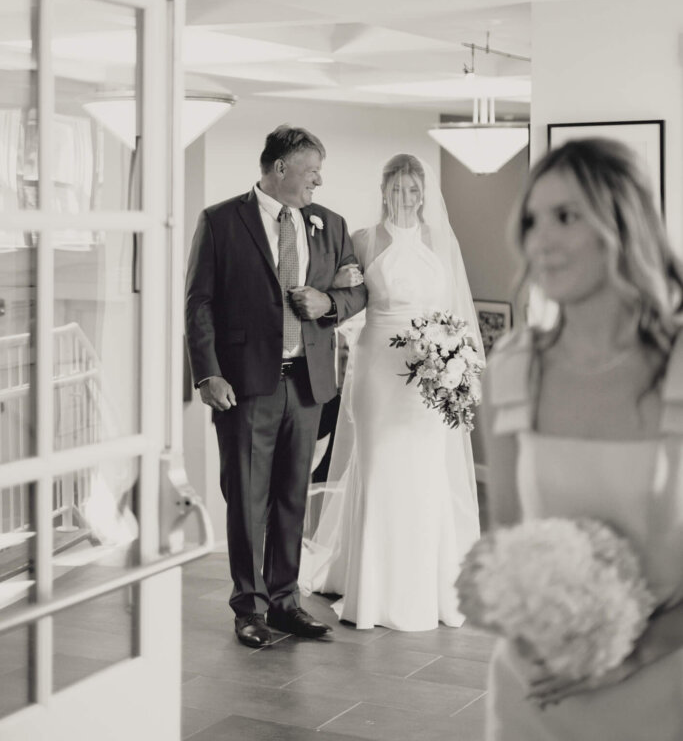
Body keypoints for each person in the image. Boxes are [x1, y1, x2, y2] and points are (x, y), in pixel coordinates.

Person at [481, 137, 683, 741]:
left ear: (620, 224)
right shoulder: (511, 367)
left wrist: (633, 654)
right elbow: (507, 541)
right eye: (532, 219)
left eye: (566, 216)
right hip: (534, 690)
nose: (541, 240)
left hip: (662, 684)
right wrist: (532, 634)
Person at [185, 125, 367, 649]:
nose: (319, 180)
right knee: (246, 499)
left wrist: (327, 304)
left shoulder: (330, 224)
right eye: (312, 171)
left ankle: (286, 604)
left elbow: (356, 292)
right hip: (244, 387)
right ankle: (250, 609)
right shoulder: (220, 220)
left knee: (291, 497)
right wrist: (207, 372)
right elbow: (198, 303)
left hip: (308, 386)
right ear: (281, 168)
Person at [301, 153, 482, 631]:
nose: (406, 198)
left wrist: (454, 362)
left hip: (431, 370)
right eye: (398, 189)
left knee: (425, 473)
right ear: (384, 191)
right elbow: (343, 298)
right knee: (379, 467)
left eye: (414, 190)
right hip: (380, 363)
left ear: (424, 194)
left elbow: (455, 310)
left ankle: (427, 585)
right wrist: (338, 284)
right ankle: (374, 589)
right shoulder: (363, 240)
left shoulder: (441, 242)